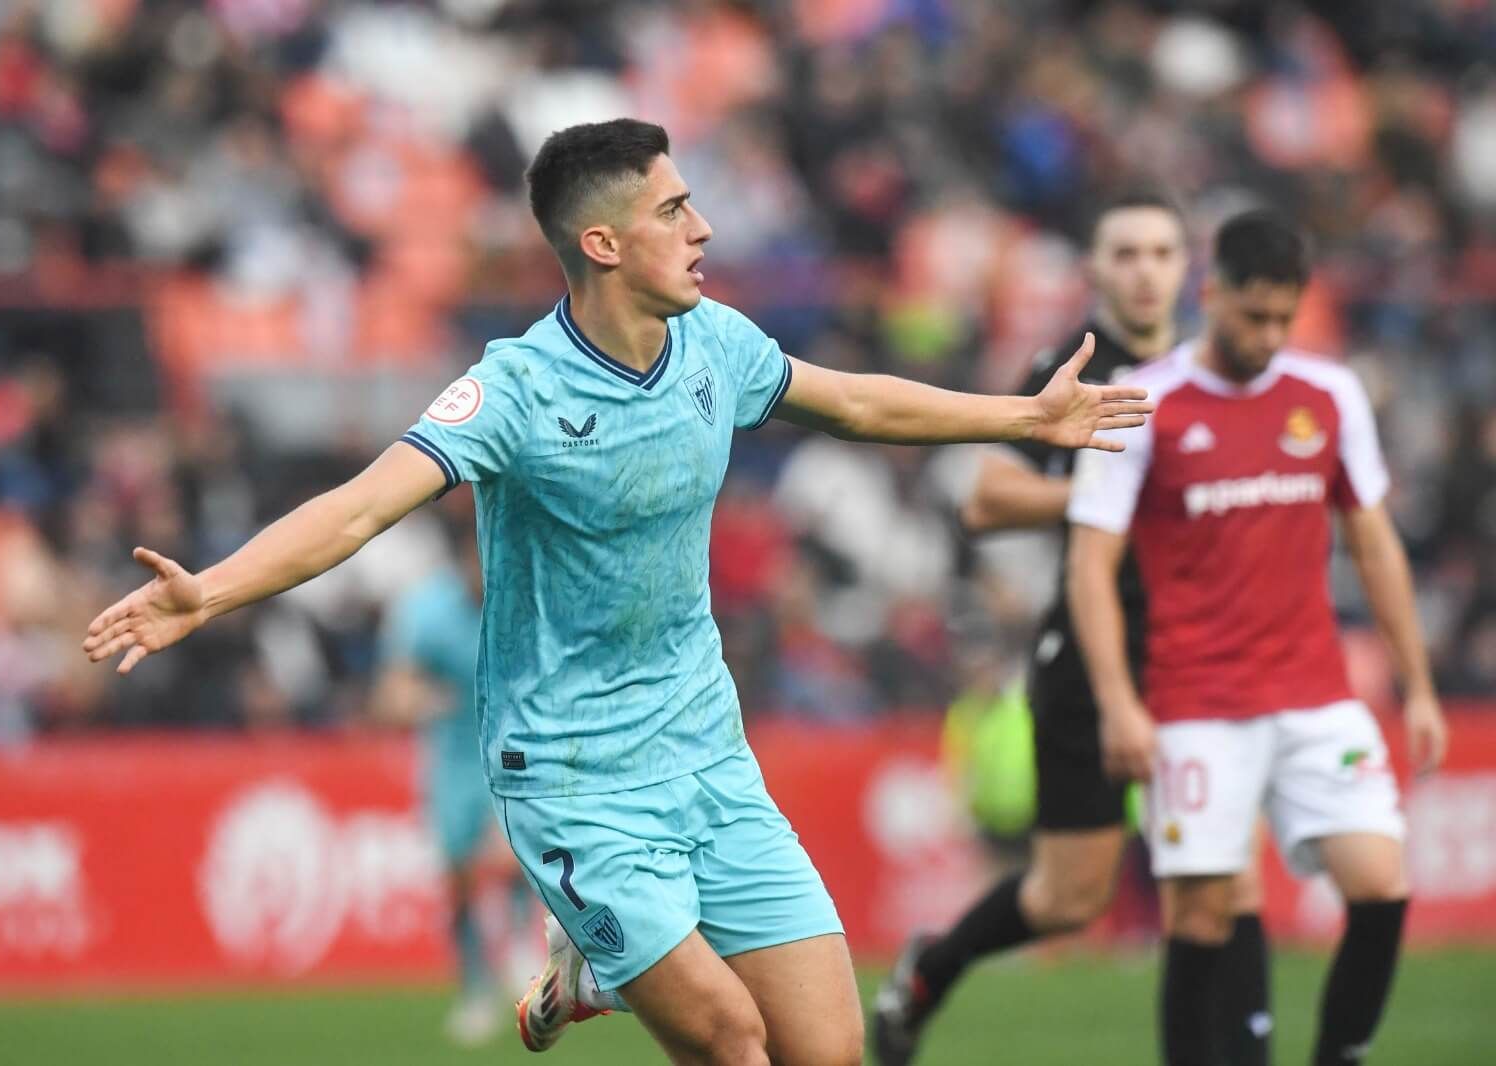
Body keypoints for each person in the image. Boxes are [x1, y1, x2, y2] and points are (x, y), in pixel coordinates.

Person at [83, 118, 1153, 1066]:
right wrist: (209, 593)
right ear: (601, 243)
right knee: (734, 1042)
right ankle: (603, 957)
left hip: (704, 749)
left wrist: (1021, 417)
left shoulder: (716, 345)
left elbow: (858, 405)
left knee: (825, 1049)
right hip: (573, 775)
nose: (703, 229)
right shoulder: (516, 388)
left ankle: (593, 972)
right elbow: (364, 506)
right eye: (674, 209)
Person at [874, 191, 1274, 1066]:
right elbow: (984, 499)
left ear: (1188, 269)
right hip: (1093, 653)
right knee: (1068, 897)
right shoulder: (1071, 365)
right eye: (1124, 253)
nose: (1143, 271)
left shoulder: (1221, 364)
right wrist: (1109, 497)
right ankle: (930, 971)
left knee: (1225, 881)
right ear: (1094, 270)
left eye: (1161, 253)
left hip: (1203, 652)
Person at [1065, 210, 1448, 1066]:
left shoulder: (1329, 395)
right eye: (1254, 317)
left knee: (1383, 886)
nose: (1270, 336)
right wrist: (1120, 704)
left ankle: (1337, 1053)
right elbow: (1091, 566)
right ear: (1212, 295)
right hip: (1197, 703)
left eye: (1285, 318)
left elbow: (1374, 543)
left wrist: (1418, 684)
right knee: (1202, 916)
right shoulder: (1144, 404)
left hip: (1316, 693)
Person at [372, 517, 534, 1045]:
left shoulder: (526, 597)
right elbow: (392, 692)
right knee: (457, 879)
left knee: (511, 855)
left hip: (517, 750)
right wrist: (416, 699)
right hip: (453, 756)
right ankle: (474, 987)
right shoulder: (427, 609)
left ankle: (517, 947)